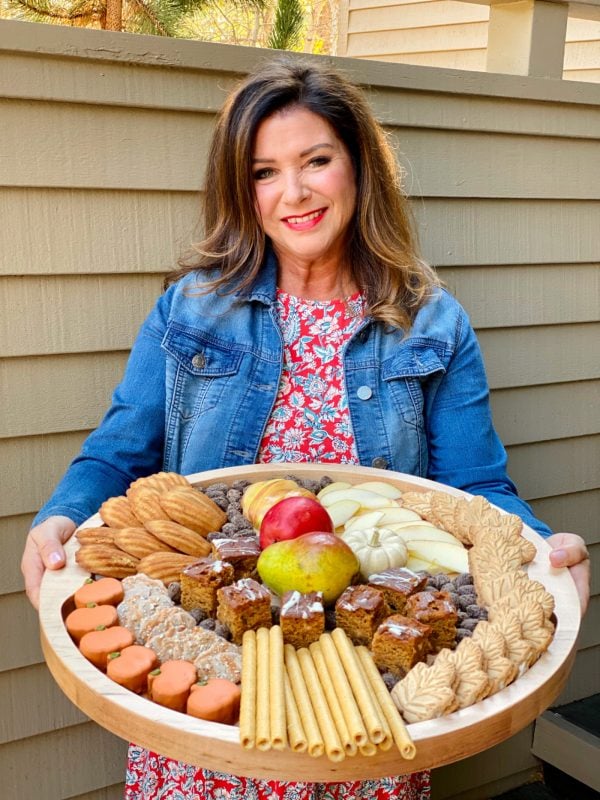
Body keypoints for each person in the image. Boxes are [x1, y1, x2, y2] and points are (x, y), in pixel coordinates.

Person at [22, 57, 590, 800]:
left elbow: (475, 487)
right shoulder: (192, 309)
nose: (293, 192)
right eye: (264, 172)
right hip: (219, 681)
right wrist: (60, 515)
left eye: (315, 161)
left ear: (357, 167)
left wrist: (542, 547)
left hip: (370, 686)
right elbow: (121, 453)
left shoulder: (432, 322)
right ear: (242, 188)